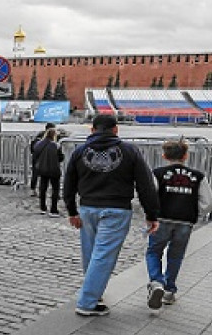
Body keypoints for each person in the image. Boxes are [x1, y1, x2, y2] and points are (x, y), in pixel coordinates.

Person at [63, 114, 160, 317]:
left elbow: (69, 183)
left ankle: (94, 294)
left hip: (88, 208)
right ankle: (87, 302)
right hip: (117, 208)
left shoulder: (79, 151)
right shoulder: (130, 151)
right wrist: (151, 214)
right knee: (103, 256)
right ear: (116, 130)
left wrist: (72, 210)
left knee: (91, 254)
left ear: (92, 130)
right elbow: (145, 185)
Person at [144, 139, 212, 308]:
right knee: (176, 255)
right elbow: (209, 202)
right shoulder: (198, 176)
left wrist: (150, 214)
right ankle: (169, 290)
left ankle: (156, 281)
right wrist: (196, 213)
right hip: (185, 220)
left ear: (164, 156)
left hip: (162, 218)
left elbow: (149, 195)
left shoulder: (158, 173)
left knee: (154, 252)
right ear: (185, 156)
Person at [33, 128, 64, 217]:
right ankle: (53, 209)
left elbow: (35, 156)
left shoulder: (39, 144)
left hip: (42, 169)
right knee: (55, 189)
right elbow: (61, 158)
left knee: (43, 188)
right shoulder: (56, 145)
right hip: (54, 169)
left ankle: (42, 208)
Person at [29, 122, 57, 196]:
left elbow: (33, 148)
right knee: (48, 176)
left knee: (35, 174)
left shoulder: (38, 136)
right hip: (46, 159)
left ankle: (33, 189)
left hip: (37, 158)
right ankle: (53, 192)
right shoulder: (51, 138)